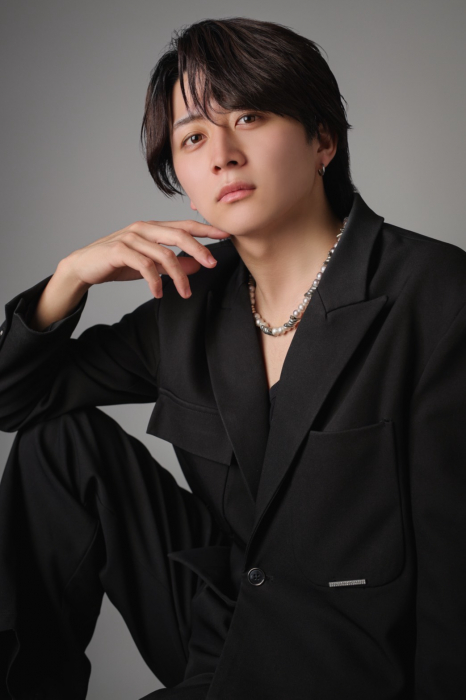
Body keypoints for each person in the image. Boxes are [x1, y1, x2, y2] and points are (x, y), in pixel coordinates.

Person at [1, 15, 466, 700]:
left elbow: (457, 578)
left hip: (348, 667)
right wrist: (71, 276)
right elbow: (15, 401)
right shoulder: (191, 304)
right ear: (183, 180)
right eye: (193, 136)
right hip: (222, 631)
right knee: (57, 443)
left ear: (323, 140)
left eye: (249, 117)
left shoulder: (437, 294)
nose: (222, 154)